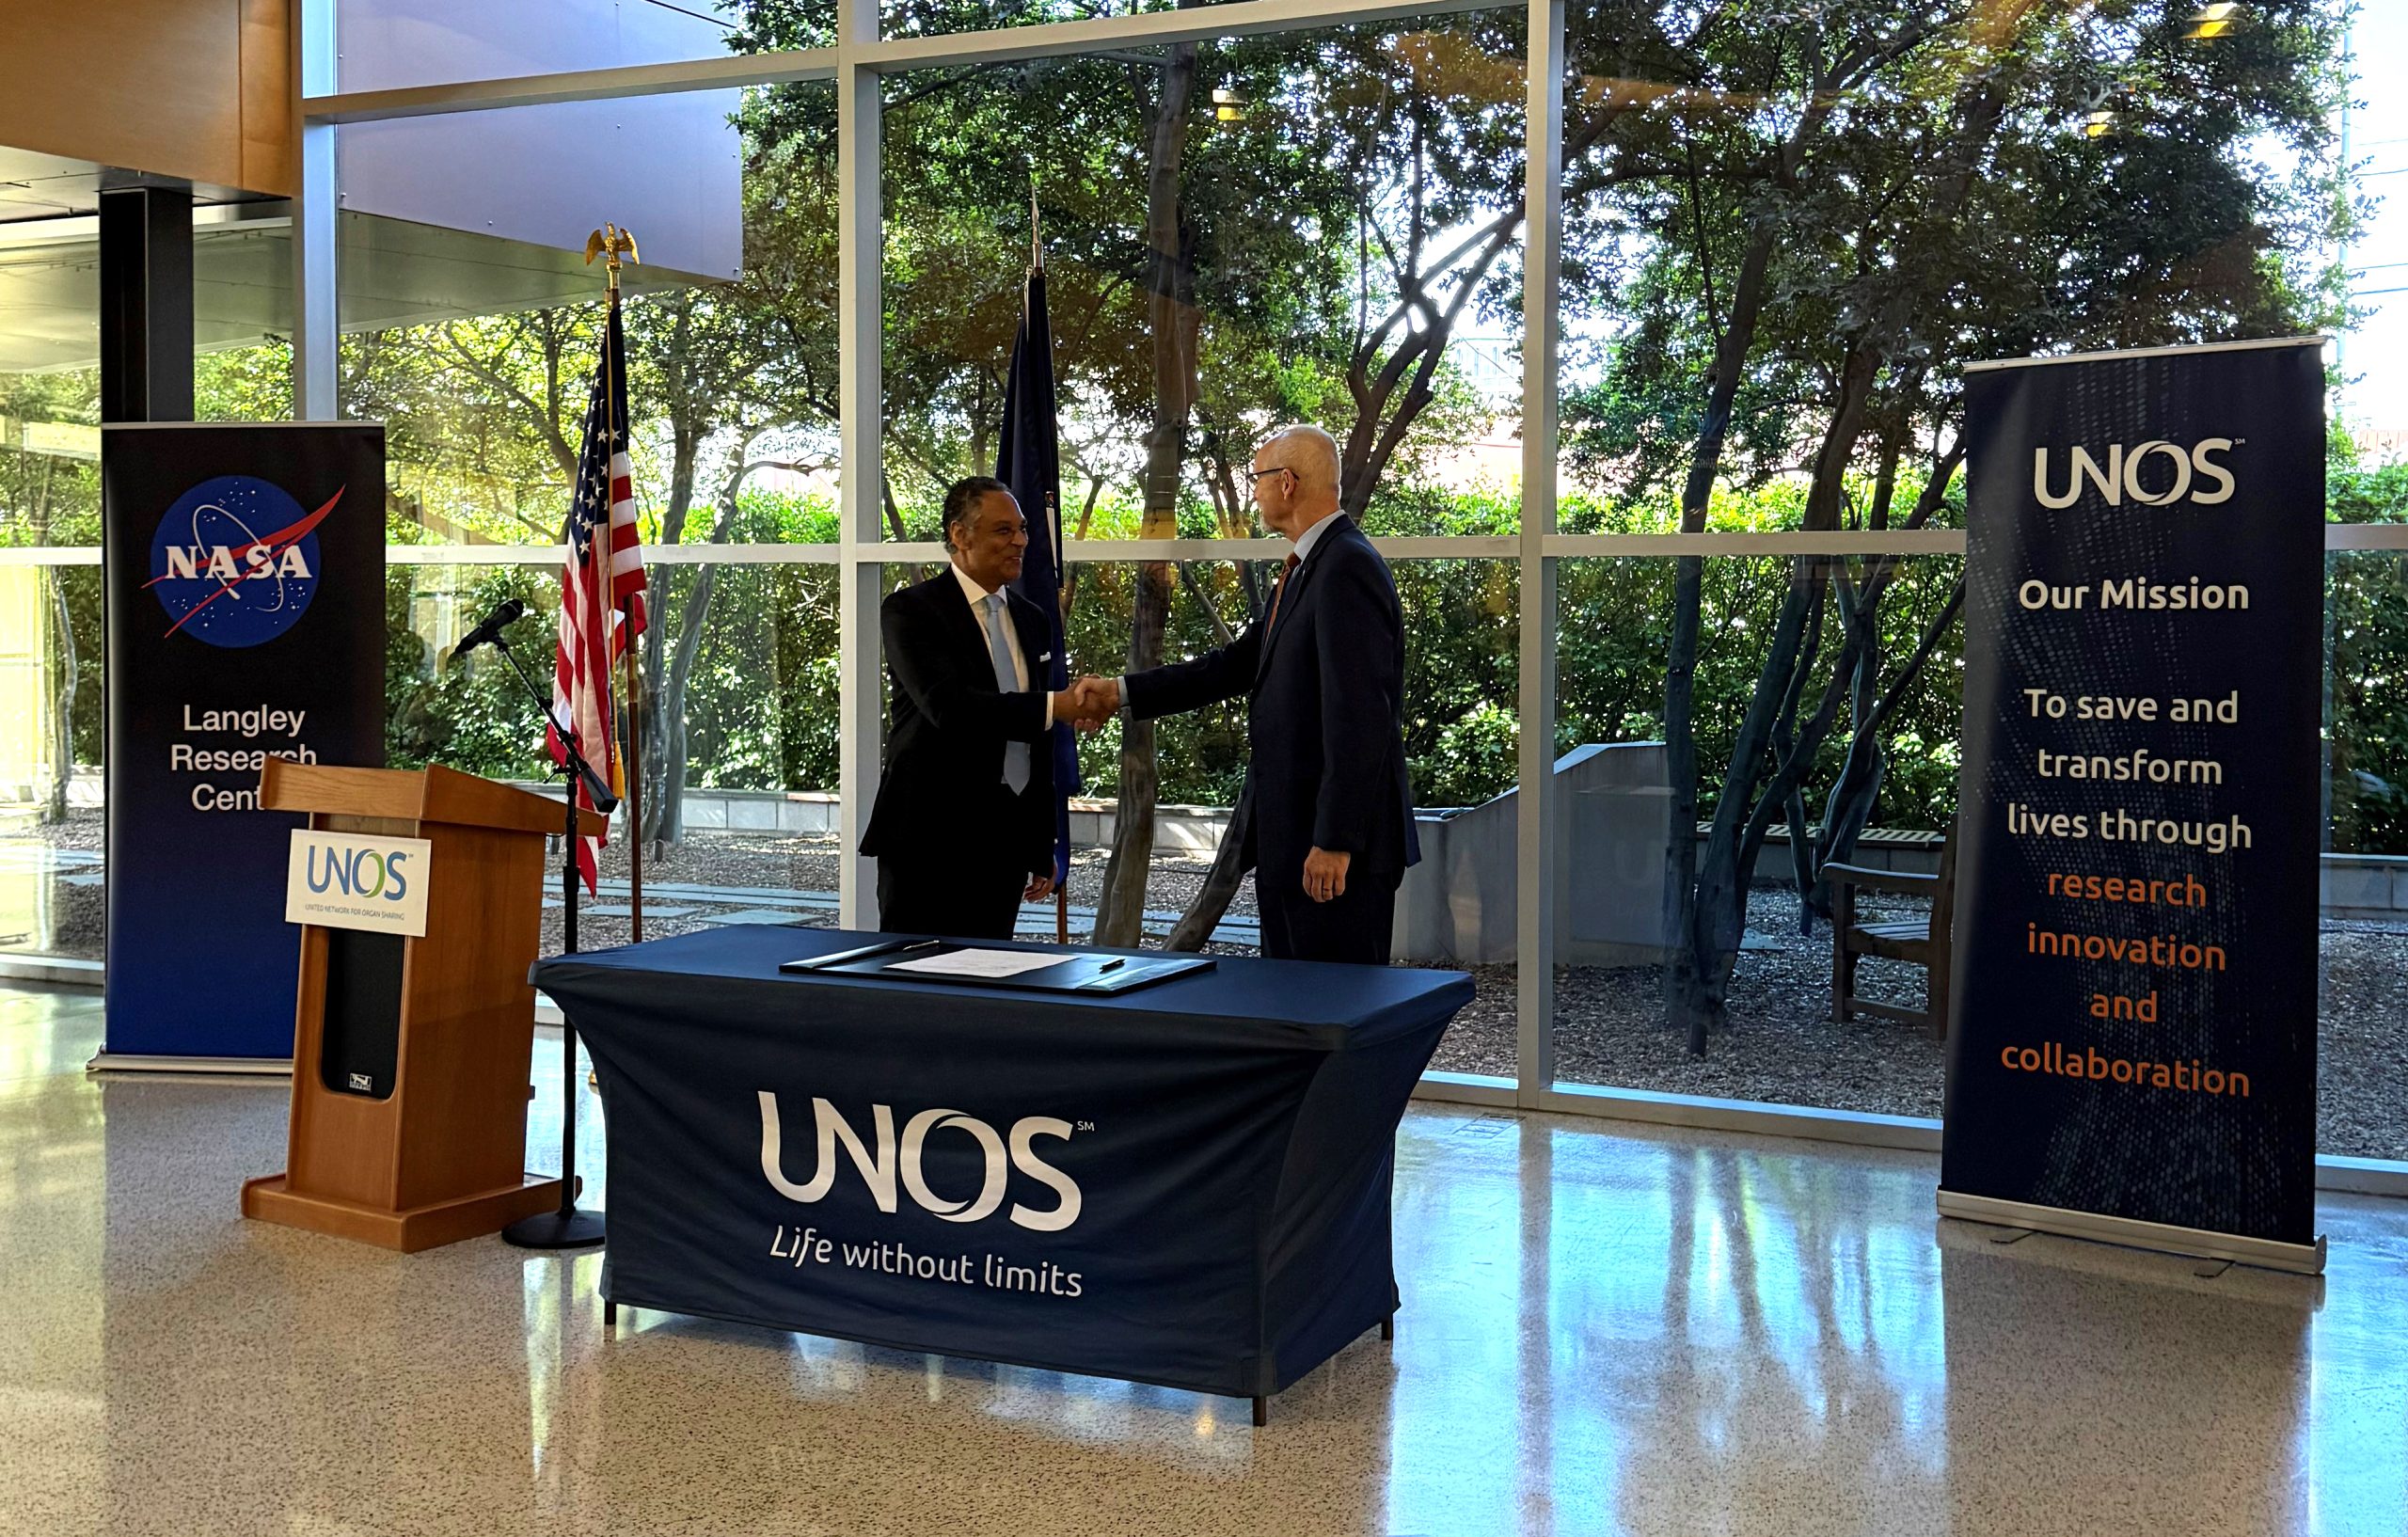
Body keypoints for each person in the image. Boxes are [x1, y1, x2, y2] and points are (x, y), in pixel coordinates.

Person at [1074, 425, 1418, 963]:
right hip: (1294, 841)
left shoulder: (1344, 566)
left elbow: (1360, 717)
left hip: (1326, 853)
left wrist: (1334, 841)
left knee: (1330, 1015)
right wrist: (1119, 693)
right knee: (1293, 1008)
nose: (1252, 491)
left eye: (1257, 478)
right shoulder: (1310, 566)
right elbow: (1234, 666)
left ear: (1286, 483)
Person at [863, 476, 1108, 938]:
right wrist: (1058, 705)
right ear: (959, 535)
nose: (1020, 542)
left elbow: (1037, 738)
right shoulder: (910, 611)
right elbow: (951, 709)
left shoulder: (1033, 620)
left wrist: (1042, 844)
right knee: (916, 989)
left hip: (1004, 846)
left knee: (991, 993)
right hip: (928, 842)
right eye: (1003, 530)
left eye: (1023, 529)